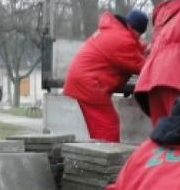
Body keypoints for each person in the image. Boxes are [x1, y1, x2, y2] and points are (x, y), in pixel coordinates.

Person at [63, 10, 149, 143]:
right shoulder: (122, 40)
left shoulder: (116, 30)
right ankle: (107, 159)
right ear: (136, 30)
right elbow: (144, 67)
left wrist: (147, 48)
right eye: (139, 35)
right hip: (90, 84)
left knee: (99, 127)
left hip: (84, 80)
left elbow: (133, 44)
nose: (139, 39)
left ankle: (98, 154)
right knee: (107, 125)